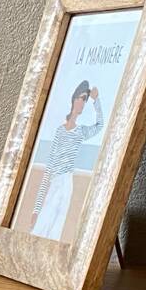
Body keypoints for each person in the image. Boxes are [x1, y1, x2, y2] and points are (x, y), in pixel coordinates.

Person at [29, 81, 103, 242]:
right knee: (40, 225)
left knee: (56, 228)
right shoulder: (60, 131)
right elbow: (49, 168)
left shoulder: (81, 131)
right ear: (74, 99)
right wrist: (36, 209)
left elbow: (99, 125)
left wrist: (95, 101)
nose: (82, 103)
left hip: (67, 182)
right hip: (56, 181)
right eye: (81, 98)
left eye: (85, 99)